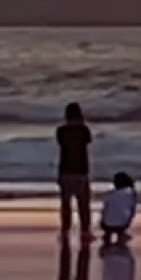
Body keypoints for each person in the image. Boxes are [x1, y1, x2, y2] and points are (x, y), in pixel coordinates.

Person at [56, 103, 95, 242]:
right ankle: (85, 230)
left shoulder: (61, 131)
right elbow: (88, 142)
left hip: (65, 169)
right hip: (81, 170)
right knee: (83, 203)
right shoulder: (84, 130)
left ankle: (65, 229)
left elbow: (61, 143)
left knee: (66, 203)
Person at [98, 172, 139, 246]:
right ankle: (121, 233)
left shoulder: (109, 194)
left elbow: (104, 210)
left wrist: (102, 219)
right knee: (129, 212)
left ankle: (108, 233)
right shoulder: (132, 194)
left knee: (109, 211)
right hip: (122, 225)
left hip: (105, 225)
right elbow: (132, 211)